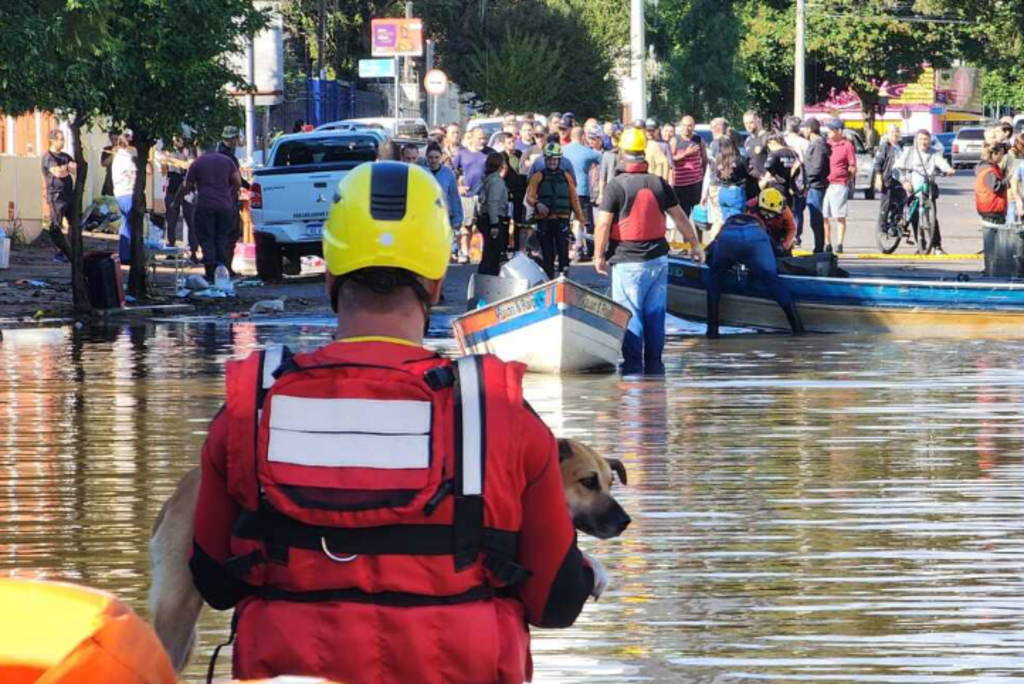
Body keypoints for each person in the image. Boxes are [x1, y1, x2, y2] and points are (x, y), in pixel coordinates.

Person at [189, 161, 598, 683]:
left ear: (331, 275)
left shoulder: (251, 407)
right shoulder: (504, 415)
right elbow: (556, 603)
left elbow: (215, 584)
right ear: (433, 284)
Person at [594, 128, 705, 375]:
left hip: (627, 261)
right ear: (643, 152)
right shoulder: (659, 184)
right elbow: (680, 218)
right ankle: (655, 372)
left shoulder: (615, 187)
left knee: (630, 315)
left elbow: (602, 223)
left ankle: (633, 376)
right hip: (658, 261)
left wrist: (598, 255)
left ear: (622, 153)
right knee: (655, 314)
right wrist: (695, 245)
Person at [705, 187, 802, 339]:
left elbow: (711, 247)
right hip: (756, 237)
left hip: (728, 235)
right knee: (772, 280)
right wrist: (776, 254)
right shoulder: (753, 211)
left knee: (714, 278)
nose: (770, 218)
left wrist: (707, 260)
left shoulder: (782, 208)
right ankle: (798, 330)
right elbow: (772, 247)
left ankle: (712, 331)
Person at [176, 145, 242, 281]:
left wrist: (176, 201)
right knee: (222, 238)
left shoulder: (197, 163)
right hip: (225, 207)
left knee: (207, 239)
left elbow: (186, 186)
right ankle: (222, 270)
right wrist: (229, 196)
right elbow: (237, 182)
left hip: (204, 206)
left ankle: (210, 273)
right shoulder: (227, 161)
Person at [526, 142, 587, 278]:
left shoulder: (566, 177)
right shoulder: (537, 177)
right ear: (546, 160)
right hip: (544, 221)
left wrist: (581, 218)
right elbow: (530, 197)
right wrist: (537, 204)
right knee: (547, 254)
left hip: (562, 220)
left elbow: (574, 199)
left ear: (559, 160)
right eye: (550, 159)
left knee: (563, 253)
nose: (553, 162)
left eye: (555, 159)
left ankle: (563, 279)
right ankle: (548, 279)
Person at [893, 129, 955, 254]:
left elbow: (941, 162)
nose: (923, 142)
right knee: (914, 217)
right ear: (916, 140)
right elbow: (897, 167)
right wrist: (904, 181)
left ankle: (937, 246)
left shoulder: (933, 153)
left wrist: (948, 169)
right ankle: (921, 244)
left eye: (926, 139)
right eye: (921, 139)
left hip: (927, 189)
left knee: (932, 218)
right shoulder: (909, 152)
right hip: (912, 188)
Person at [562, 126, 603, 261]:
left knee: (565, 220)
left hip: (564, 190)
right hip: (581, 191)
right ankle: (578, 249)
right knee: (579, 222)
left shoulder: (563, 151)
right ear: (582, 137)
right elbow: (602, 159)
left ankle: (566, 250)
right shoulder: (587, 152)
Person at [452, 127, 493, 263]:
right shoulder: (462, 154)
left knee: (485, 225)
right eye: (480, 138)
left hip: (484, 196)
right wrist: (458, 186)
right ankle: (464, 252)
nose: (483, 141)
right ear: (472, 137)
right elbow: (452, 171)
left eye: (485, 138)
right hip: (467, 196)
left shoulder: (490, 153)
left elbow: (500, 169)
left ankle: (487, 254)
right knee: (466, 225)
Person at [706, 135, 756, 243]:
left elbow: (716, 174)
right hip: (736, 192)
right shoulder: (740, 159)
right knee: (737, 222)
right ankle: (734, 244)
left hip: (722, 191)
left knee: (724, 221)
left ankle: (717, 243)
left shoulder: (719, 158)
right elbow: (749, 174)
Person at [217, 126, 250, 274]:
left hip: (222, 198)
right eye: (236, 139)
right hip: (228, 199)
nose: (238, 142)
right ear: (233, 139)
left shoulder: (221, 153)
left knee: (225, 234)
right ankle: (225, 267)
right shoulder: (228, 157)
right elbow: (236, 179)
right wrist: (250, 186)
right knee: (231, 234)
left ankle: (223, 267)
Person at [39, 129, 75, 263]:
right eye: (60, 139)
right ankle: (61, 252)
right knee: (56, 226)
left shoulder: (66, 156)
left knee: (74, 224)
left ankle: (72, 249)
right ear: (52, 140)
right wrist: (67, 168)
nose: (63, 142)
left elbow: (76, 169)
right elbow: (58, 173)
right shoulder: (48, 157)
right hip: (56, 196)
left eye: (63, 139)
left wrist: (66, 168)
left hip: (69, 194)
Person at [158, 133, 195, 255]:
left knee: (189, 218)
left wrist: (173, 160)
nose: (178, 141)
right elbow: (163, 173)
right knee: (171, 219)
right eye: (175, 138)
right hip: (172, 187)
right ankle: (170, 246)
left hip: (186, 187)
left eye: (180, 138)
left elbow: (190, 165)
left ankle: (190, 248)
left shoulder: (187, 151)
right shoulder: (168, 151)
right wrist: (163, 163)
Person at [823, 119, 856, 254]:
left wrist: (846, 180)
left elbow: (852, 166)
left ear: (839, 131)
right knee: (825, 215)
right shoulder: (826, 144)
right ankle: (827, 242)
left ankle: (840, 244)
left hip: (839, 184)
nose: (829, 132)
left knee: (840, 215)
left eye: (831, 129)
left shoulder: (847, 145)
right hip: (826, 184)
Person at [478, 152, 510, 275]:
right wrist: (494, 225)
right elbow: (493, 203)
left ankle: (486, 276)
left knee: (490, 252)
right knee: (492, 253)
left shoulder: (488, 179)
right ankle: (488, 278)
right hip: (494, 219)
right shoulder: (496, 181)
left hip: (488, 218)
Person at [670, 115, 707, 217]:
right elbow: (671, 160)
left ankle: (699, 233)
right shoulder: (675, 140)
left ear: (694, 126)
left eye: (689, 126)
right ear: (681, 126)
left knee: (698, 213)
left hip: (696, 183)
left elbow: (705, 160)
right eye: (684, 125)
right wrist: (686, 153)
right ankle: (685, 233)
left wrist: (703, 176)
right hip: (680, 184)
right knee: (683, 214)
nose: (686, 128)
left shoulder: (699, 140)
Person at [803, 118, 830, 254]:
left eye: (805, 128)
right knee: (815, 218)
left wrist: (807, 179)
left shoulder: (818, 145)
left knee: (816, 218)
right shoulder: (815, 143)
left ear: (809, 129)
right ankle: (818, 246)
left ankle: (819, 247)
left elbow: (817, 166)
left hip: (816, 186)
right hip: (814, 185)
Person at [873, 125, 904, 240]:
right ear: (887, 134)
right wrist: (878, 177)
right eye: (892, 132)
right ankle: (882, 227)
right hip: (888, 179)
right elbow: (878, 163)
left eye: (896, 132)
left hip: (900, 181)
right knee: (886, 205)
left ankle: (893, 226)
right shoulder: (885, 146)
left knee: (899, 205)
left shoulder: (900, 147)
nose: (894, 134)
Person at [425, 142, 464, 235]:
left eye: (436, 157)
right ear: (426, 157)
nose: (433, 160)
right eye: (431, 157)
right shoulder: (422, 171)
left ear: (441, 157)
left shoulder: (448, 173)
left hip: (444, 216)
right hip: (426, 216)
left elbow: (454, 197)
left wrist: (457, 219)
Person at [112, 132, 138, 265]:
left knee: (126, 222)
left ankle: (125, 252)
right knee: (130, 223)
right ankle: (127, 255)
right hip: (127, 192)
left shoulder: (117, 156)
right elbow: (136, 174)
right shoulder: (127, 158)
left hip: (120, 192)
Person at [747, 187, 797, 256]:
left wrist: (785, 245)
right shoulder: (750, 208)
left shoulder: (784, 211)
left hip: (778, 233)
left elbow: (792, 228)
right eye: (764, 211)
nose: (767, 216)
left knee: (784, 253)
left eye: (771, 214)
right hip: (758, 232)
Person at [976, 142, 1010, 225]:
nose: (1002, 157)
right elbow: (995, 187)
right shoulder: (988, 170)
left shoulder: (990, 167)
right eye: (1001, 154)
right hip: (992, 209)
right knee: (994, 236)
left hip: (991, 208)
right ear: (994, 154)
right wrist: (1007, 182)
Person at [742, 110, 769, 176]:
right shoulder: (748, 140)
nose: (748, 126)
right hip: (751, 182)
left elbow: (777, 161)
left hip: (765, 182)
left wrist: (766, 179)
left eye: (751, 122)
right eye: (745, 123)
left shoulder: (768, 137)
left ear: (758, 121)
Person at [100, 131, 119, 197]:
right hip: (110, 181)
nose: (114, 142)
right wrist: (113, 154)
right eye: (112, 140)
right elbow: (104, 163)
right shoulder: (107, 149)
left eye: (116, 139)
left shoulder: (125, 150)